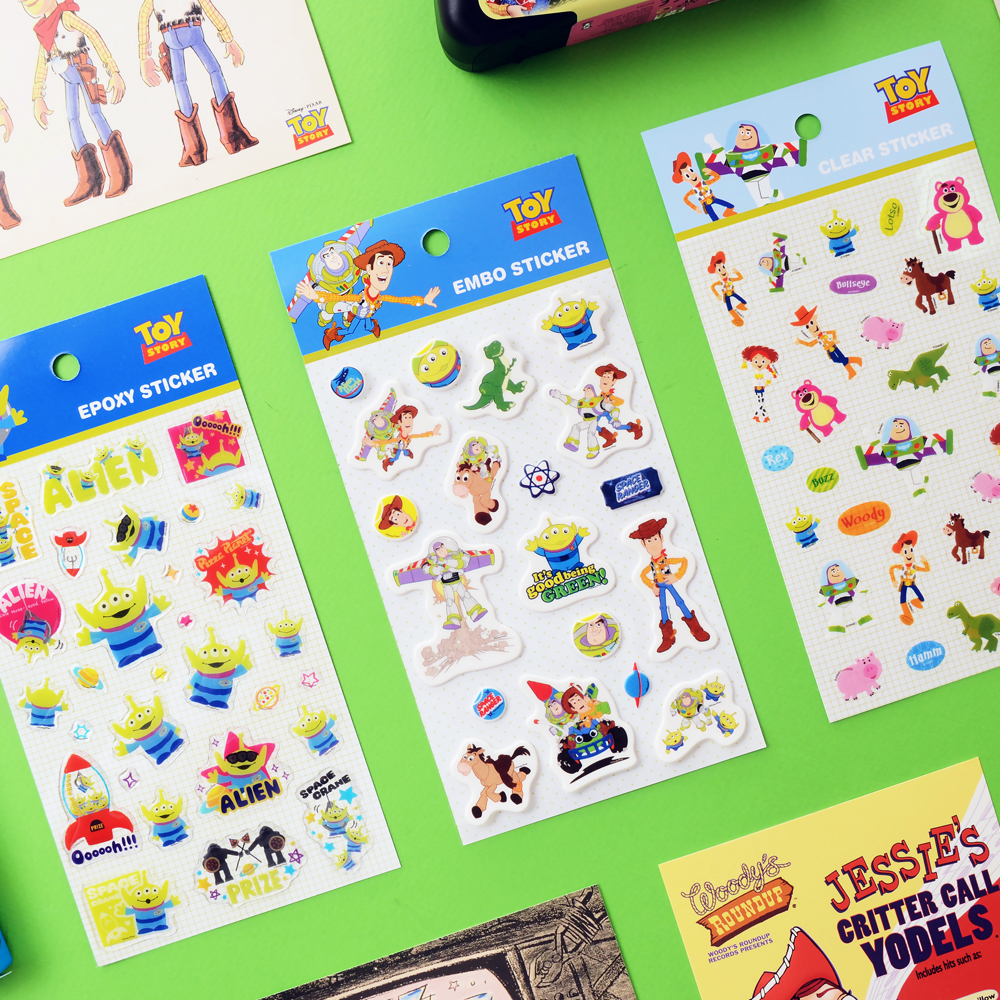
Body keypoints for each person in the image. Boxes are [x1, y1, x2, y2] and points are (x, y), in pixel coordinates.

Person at [21, 0, 133, 205]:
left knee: (95, 113)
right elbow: (41, 62)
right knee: (72, 118)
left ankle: (120, 172)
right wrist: (38, 96)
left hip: (83, 69)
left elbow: (93, 34)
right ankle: (90, 179)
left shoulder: (66, 17)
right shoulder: (44, 31)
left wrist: (113, 70)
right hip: (67, 75)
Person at [138, 0, 257, 168]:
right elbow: (210, 9)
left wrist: (144, 57)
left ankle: (194, 150)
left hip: (171, 34)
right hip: (191, 28)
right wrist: (229, 39)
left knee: (180, 83)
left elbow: (144, 17)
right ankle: (232, 136)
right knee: (214, 71)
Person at [629, 517, 710, 652]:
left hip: (669, 583)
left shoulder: (666, 559)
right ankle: (668, 638)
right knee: (663, 608)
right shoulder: (649, 565)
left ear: (661, 538)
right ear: (643, 544)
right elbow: (643, 575)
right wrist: (652, 586)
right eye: (649, 541)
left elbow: (684, 560)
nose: (653, 544)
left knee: (680, 602)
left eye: (655, 539)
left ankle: (697, 629)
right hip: (660, 586)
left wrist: (676, 576)